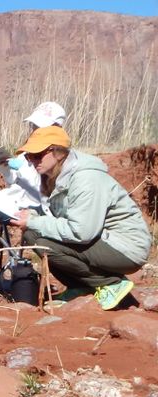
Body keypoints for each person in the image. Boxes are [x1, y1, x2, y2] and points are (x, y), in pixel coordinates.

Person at [11, 125, 151, 310]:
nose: (32, 161)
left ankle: (110, 284)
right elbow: (65, 219)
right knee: (33, 234)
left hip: (126, 247)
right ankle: (80, 288)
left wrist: (34, 221)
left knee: (41, 241)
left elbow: (81, 232)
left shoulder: (86, 179)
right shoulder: (56, 175)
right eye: (29, 156)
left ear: (57, 152)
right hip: (104, 240)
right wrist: (33, 217)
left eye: (37, 155)